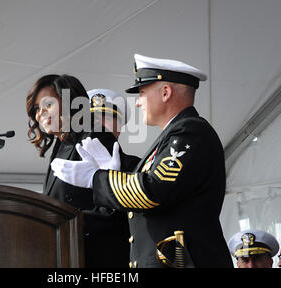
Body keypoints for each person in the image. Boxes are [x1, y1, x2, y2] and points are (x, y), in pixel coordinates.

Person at [51, 54, 233, 268]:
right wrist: (116, 175)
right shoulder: (174, 136)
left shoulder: (190, 132)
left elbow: (151, 191)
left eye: (143, 93)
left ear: (165, 93)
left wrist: (97, 178)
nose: (137, 103)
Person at [26, 74, 131, 268]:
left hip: (98, 258)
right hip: (67, 255)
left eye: (48, 104)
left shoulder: (93, 136)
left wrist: (66, 225)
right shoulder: (60, 146)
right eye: (36, 109)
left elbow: (116, 206)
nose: (40, 114)